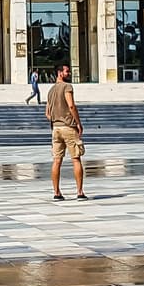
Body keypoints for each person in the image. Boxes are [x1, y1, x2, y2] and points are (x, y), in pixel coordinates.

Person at [46, 64, 87, 201]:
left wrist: (56, 118)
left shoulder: (51, 90)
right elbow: (71, 105)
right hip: (68, 127)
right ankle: (80, 192)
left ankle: (57, 192)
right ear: (59, 73)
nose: (69, 73)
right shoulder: (67, 87)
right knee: (76, 158)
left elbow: (47, 114)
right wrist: (78, 123)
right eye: (66, 71)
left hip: (55, 128)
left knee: (57, 160)